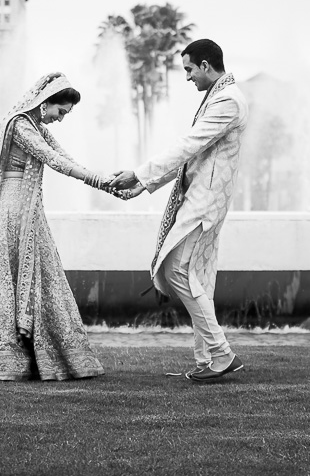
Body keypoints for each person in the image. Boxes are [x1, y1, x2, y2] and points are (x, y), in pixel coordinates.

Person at [0, 72, 116, 381]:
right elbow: (52, 160)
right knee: (5, 274)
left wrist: (105, 182)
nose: (61, 119)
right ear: (45, 103)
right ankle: (5, 355)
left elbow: (66, 157)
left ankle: (41, 354)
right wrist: (96, 180)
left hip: (28, 209)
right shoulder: (21, 125)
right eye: (60, 112)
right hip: (11, 208)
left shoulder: (35, 127)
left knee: (42, 273)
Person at [107, 39, 249, 383]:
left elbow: (189, 145)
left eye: (188, 69)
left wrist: (141, 172)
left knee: (175, 270)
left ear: (205, 65)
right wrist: (146, 184)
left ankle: (221, 353)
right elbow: (194, 155)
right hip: (200, 197)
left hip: (205, 201)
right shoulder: (217, 96)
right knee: (196, 277)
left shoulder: (228, 101)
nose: (187, 77)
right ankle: (207, 359)